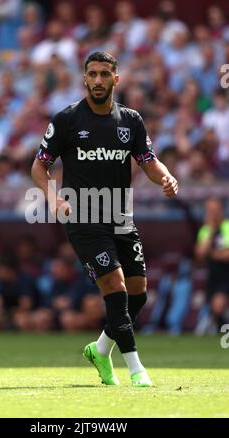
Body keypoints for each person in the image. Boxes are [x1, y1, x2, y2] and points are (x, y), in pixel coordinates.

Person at [31, 51, 178, 387]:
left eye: (104, 74)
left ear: (116, 79)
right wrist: (53, 197)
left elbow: (149, 161)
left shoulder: (131, 121)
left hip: (121, 217)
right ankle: (137, 370)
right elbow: (39, 165)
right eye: (92, 74)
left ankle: (100, 349)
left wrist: (167, 176)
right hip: (83, 217)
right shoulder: (67, 120)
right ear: (84, 78)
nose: (98, 80)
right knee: (115, 284)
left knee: (138, 294)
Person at [195, 198, 229, 331]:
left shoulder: (227, 227)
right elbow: (200, 254)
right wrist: (211, 231)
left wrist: (211, 253)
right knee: (216, 310)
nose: (211, 213)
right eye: (209, 210)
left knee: (218, 307)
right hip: (213, 275)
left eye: (214, 209)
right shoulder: (206, 230)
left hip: (226, 275)